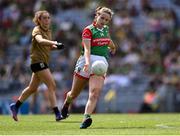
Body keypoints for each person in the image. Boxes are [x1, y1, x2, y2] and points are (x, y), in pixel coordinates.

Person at [60, 7, 116, 129]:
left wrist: (113, 46)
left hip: (100, 64)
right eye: (102, 17)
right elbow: (87, 49)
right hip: (86, 61)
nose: (104, 21)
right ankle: (66, 104)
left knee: (94, 93)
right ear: (97, 15)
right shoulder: (88, 30)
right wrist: (87, 62)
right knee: (73, 94)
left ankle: (86, 117)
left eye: (106, 19)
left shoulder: (106, 29)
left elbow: (107, 40)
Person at [9, 10, 64, 121]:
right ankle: (57, 113)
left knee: (32, 88)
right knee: (52, 85)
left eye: (48, 17)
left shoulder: (48, 30)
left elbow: (46, 47)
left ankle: (15, 106)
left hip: (41, 62)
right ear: (39, 20)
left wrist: (56, 47)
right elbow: (40, 41)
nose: (47, 20)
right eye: (44, 18)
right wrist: (54, 42)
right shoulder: (36, 29)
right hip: (38, 62)